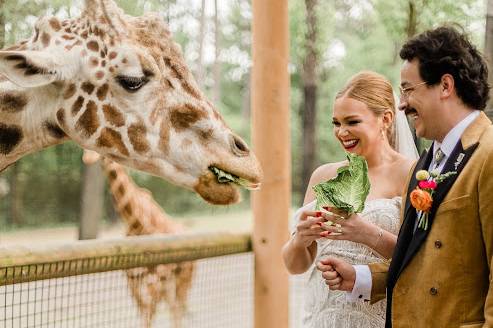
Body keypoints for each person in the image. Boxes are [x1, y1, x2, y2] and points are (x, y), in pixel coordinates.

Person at [318, 25, 493, 328]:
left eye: (409, 90)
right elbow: (423, 262)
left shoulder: (488, 155)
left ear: (445, 86)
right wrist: (360, 277)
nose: (401, 104)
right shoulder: (423, 165)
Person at [282, 71, 416, 328]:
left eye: (352, 122)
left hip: (379, 315)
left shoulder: (411, 174)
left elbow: (422, 258)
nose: (342, 132)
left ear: (385, 119)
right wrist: (301, 238)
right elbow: (295, 266)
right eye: (336, 123)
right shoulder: (323, 176)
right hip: (322, 317)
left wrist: (364, 232)